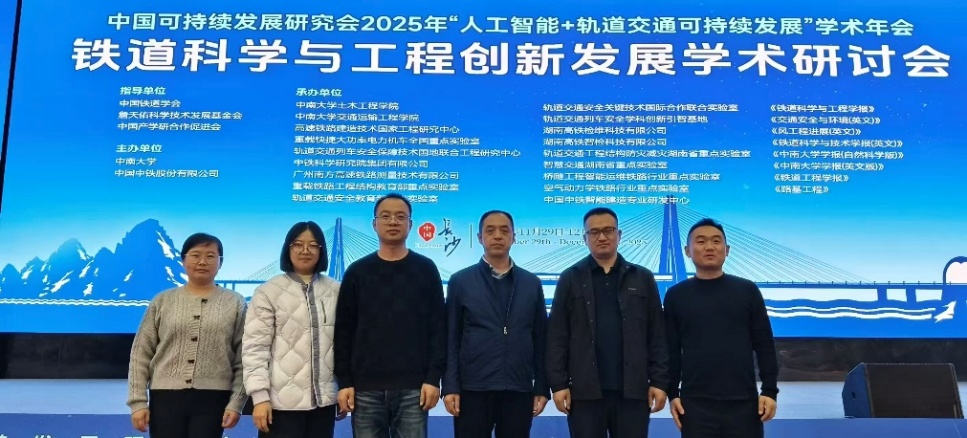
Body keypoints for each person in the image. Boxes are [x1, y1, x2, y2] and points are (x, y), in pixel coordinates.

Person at [545, 207, 670, 438]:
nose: (602, 237)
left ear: (619, 235)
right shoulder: (570, 278)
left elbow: (657, 334)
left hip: (633, 391)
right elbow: (557, 335)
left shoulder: (642, 277)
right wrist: (559, 384)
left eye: (608, 230)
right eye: (594, 232)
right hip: (584, 392)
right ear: (585, 238)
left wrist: (660, 381)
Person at [334, 193, 447, 438]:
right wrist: (345, 382)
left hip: (414, 388)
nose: (393, 221)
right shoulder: (357, 272)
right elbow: (343, 331)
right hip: (365, 389)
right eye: (385, 216)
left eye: (400, 216)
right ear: (374, 224)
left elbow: (438, 329)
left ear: (410, 224)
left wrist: (433, 378)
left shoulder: (426, 269)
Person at [664, 218, 780, 437]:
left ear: (727, 250)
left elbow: (764, 344)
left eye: (716, 241)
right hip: (694, 404)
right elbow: (671, 350)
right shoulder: (676, 295)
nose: (709, 247)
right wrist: (673, 394)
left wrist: (769, 391)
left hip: (744, 402)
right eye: (701, 241)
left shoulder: (747, 291)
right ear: (687, 251)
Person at [126, 233, 247, 438]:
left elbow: (244, 357)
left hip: (214, 398)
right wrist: (137, 402)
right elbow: (140, 353)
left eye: (210, 256)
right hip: (165, 397)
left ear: (220, 262)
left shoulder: (236, 303)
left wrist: (236, 402)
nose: (202, 262)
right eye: (195, 255)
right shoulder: (162, 301)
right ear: (183, 260)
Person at [442, 210, 549, 437]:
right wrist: (450, 386)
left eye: (504, 230)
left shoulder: (531, 283)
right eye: (490, 231)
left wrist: (541, 386)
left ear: (514, 237)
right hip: (473, 388)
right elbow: (451, 338)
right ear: (480, 237)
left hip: (518, 387)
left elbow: (541, 339)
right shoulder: (461, 281)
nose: (498, 236)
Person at [242, 221, 344, 437]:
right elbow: (255, 349)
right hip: (280, 406)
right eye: (298, 244)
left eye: (313, 245)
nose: (305, 250)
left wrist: (343, 388)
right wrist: (259, 397)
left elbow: (345, 345)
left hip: (323, 405)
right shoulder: (268, 292)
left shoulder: (336, 290)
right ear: (287, 248)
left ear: (321, 250)